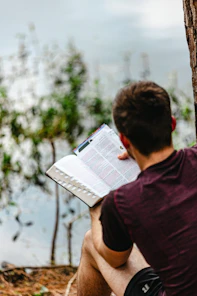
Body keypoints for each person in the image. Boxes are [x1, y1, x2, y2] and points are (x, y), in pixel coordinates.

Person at [77, 81, 197, 296]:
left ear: (123, 139)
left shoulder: (122, 201)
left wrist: (96, 211)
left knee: (91, 242)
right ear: (171, 124)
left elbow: (115, 259)